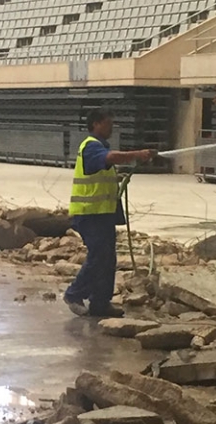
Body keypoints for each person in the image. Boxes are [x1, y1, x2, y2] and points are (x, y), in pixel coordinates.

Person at [65, 107, 158, 318]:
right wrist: (137, 154)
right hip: (89, 214)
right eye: (108, 124)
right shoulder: (90, 146)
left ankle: (100, 303)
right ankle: (74, 294)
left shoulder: (99, 147)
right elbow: (111, 157)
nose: (111, 128)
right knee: (98, 257)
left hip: (102, 214)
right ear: (96, 124)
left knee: (108, 259)